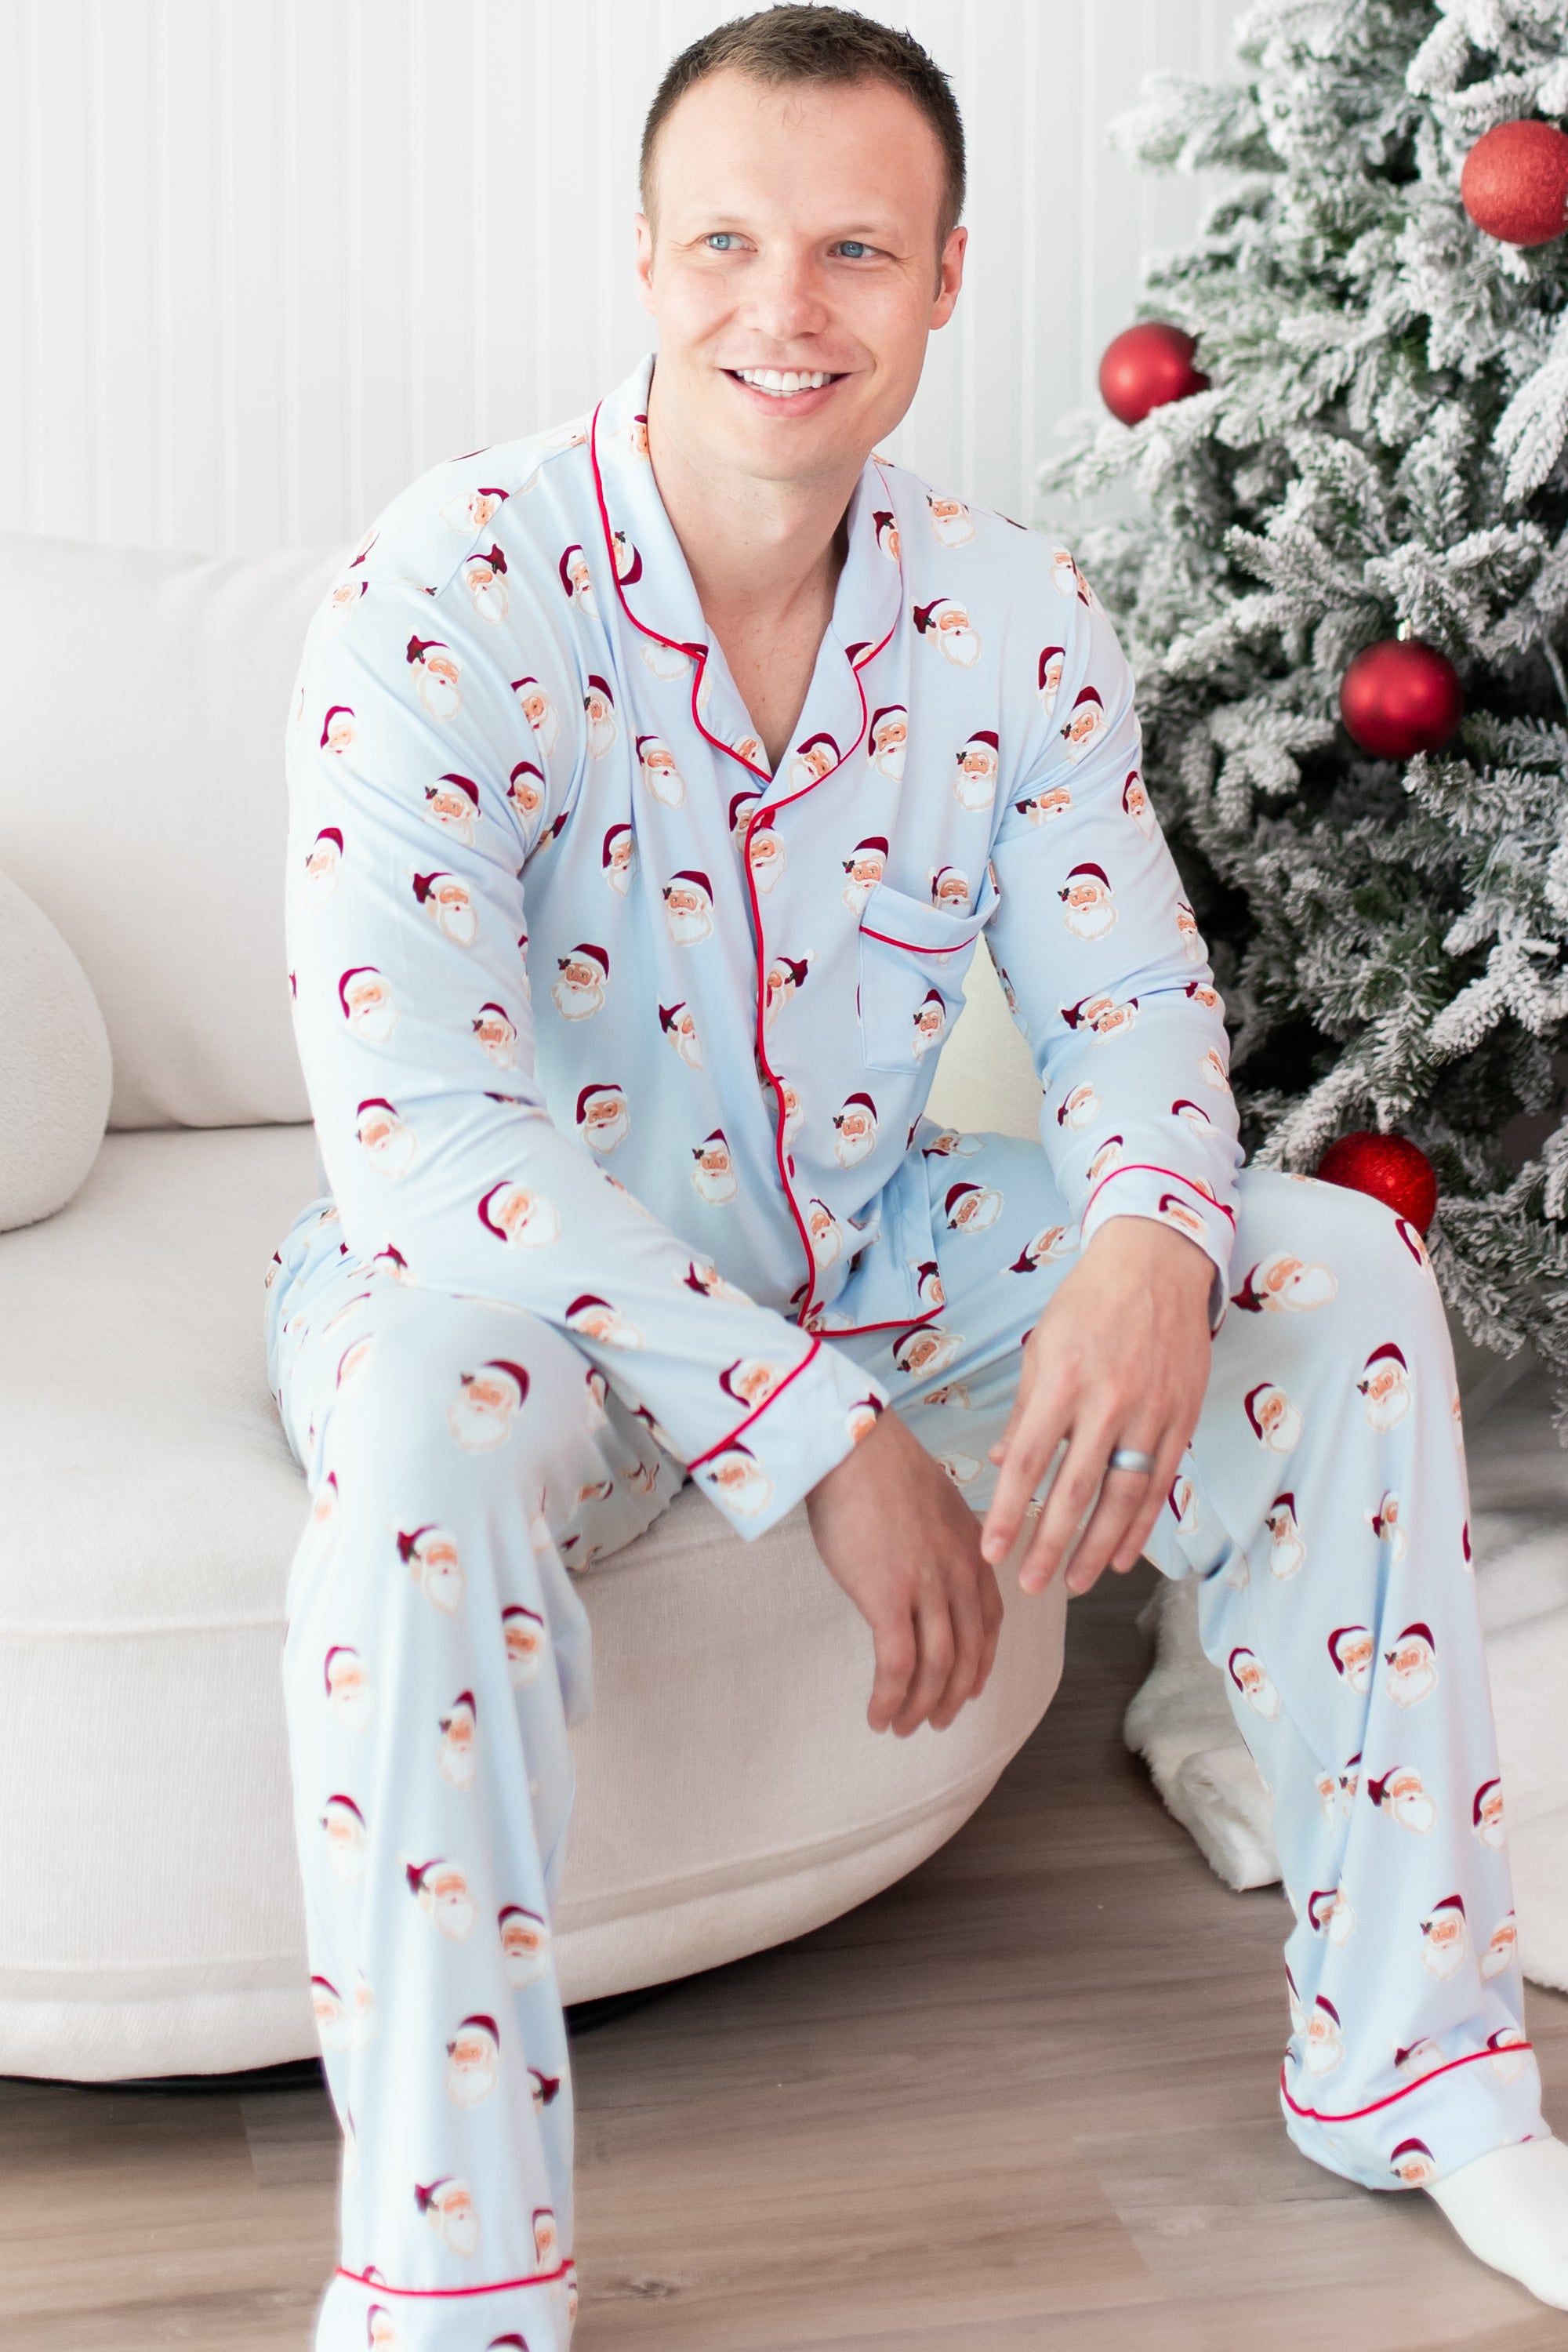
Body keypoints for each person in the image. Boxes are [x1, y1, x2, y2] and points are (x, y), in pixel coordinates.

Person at [264, 10, 1566, 2345]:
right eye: (734, 244)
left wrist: (1160, 1232)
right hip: (522, 1304)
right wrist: (818, 1433)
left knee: (1339, 1272)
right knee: (414, 1444)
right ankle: (451, 2284)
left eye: (855, 247)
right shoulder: (444, 589)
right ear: (643, 265)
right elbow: (418, 1136)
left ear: (948, 275)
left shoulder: (1014, 613)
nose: (791, 307)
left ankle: (1431, 2080)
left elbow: (1129, 1007)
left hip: (880, 1250)